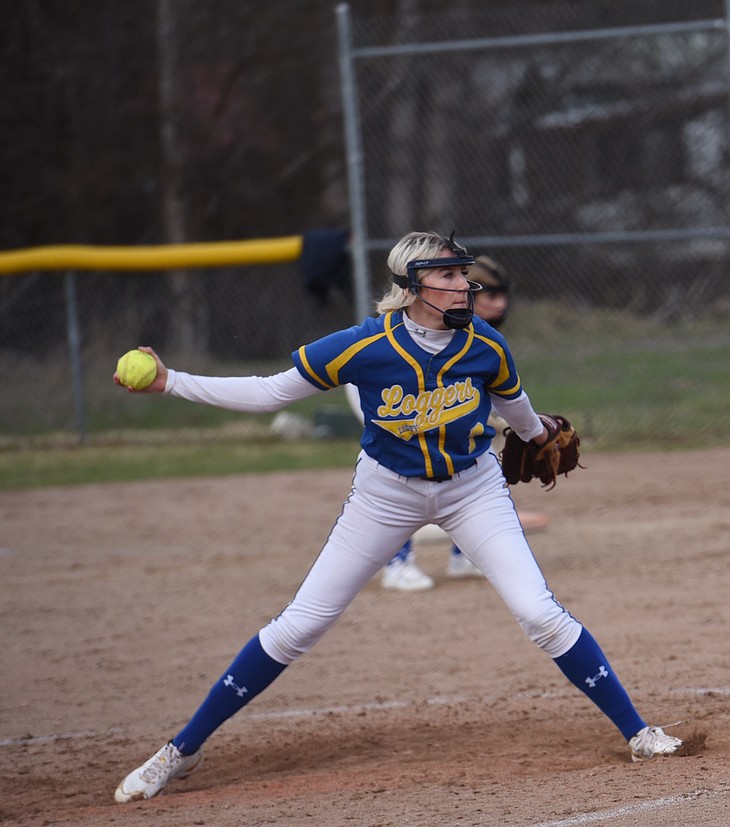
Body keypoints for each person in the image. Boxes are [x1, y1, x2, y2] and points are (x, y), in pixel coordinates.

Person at [110, 231, 682, 803]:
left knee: (540, 613)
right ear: (412, 286)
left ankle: (639, 732)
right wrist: (171, 381)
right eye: (450, 276)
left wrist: (543, 435)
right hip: (385, 495)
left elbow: (523, 418)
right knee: (299, 626)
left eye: (464, 275)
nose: (465, 285)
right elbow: (267, 394)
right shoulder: (363, 345)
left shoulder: (486, 347)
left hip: (472, 490)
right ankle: (181, 751)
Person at [380, 255, 511, 591]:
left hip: (441, 406)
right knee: (409, 471)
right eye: (490, 296)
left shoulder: (474, 331)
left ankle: (464, 553)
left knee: (481, 463)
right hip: (391, 400)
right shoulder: (419, 323)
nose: (500, 304)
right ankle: (397, 562)